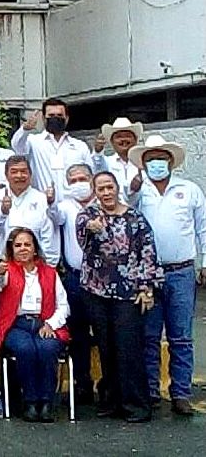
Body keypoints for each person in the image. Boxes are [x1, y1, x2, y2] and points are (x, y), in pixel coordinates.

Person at [125, 133, 206, 416]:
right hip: (148, 275)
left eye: (161, 158)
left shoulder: (189, 189)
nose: (156, 163)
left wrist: (204, 262)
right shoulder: (137, 191)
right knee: (148, 336)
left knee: (181, 336)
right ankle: (150, 391)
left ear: (171, 162)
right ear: (143, 163)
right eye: (151, 159)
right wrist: (133, 190)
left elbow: (203, 227)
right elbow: (125, 218)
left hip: (181, 271)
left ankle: (181, 392)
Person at [78, 171, 161, 423]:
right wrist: (91, 228)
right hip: (97, 291)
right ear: (95, 192)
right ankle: (111, 401)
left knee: (128, 347)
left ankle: (136, 404)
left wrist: (147, 287)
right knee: (106, 347)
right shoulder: (88, 215)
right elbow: (82, 237)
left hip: (128, 292)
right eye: (100, 189)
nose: (106, 192)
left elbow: (148, 252)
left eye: (109, 187)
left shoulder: (135, 218)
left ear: (116, 188)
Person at [0, 228, 70, 422]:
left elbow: (63, 306)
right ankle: (30, 402)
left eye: (27, 244)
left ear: (35, 249)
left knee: (47, 348)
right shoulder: (6, 270)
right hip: (15, 325)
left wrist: (51, 324)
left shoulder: (50, 273)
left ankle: (46, 403)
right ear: (11, 249)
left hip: (45, 323)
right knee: (25, 349)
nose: (23, 248)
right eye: (18, 245)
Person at [56, 164, 97, 402]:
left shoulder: (103, 204)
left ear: (92, 179)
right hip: (75, 276)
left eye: (83, 178)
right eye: (73, 180)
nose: (79, 183)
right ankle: (82, 382)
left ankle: (109, 385)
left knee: (105, 331)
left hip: (103, 278)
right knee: (78, 332)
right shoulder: (64, 206)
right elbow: (53, 215)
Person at [0, 154, 62, 267]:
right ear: (6, 175)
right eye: (14, 172)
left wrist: (48, 266)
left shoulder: (42, 199)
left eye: (23, 171)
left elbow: (48, 236)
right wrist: (3, 212)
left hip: (35, 264)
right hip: (3, 263)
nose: (19, 176)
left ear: (30, 174)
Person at [11, 98, 93, 192]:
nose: (55, 118)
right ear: (43, 118)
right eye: (51, 115)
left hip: (73, 200)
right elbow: (17, 146)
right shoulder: (33, 142)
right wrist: (24, 129)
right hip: (42, 199)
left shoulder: (80, 146)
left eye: (59, 115)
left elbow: (90, 175)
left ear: (66, 119)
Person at [93, 117, 143, 201]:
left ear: (135, 140)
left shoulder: (142, 163)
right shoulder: (108, 162)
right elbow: (97, 166)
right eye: (119, 137)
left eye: (128, 136)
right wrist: (98, 151)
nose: (123, 139)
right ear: (112, 142)